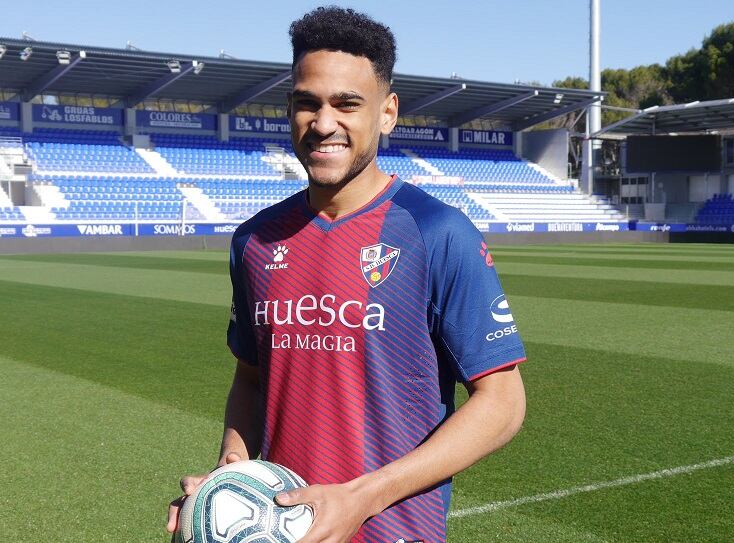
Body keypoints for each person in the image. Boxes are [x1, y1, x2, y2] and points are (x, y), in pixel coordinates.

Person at [167, 7, 526, 542]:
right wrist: (232, 473)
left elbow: (502, 402)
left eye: (347, 104)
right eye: (307, 103)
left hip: (395, 532)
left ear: (387, 113)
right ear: (290, 108)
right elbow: (251, 374)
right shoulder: (255, 241)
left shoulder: (436, 232)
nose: (324, 123)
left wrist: (362, 497)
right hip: (284, 529)